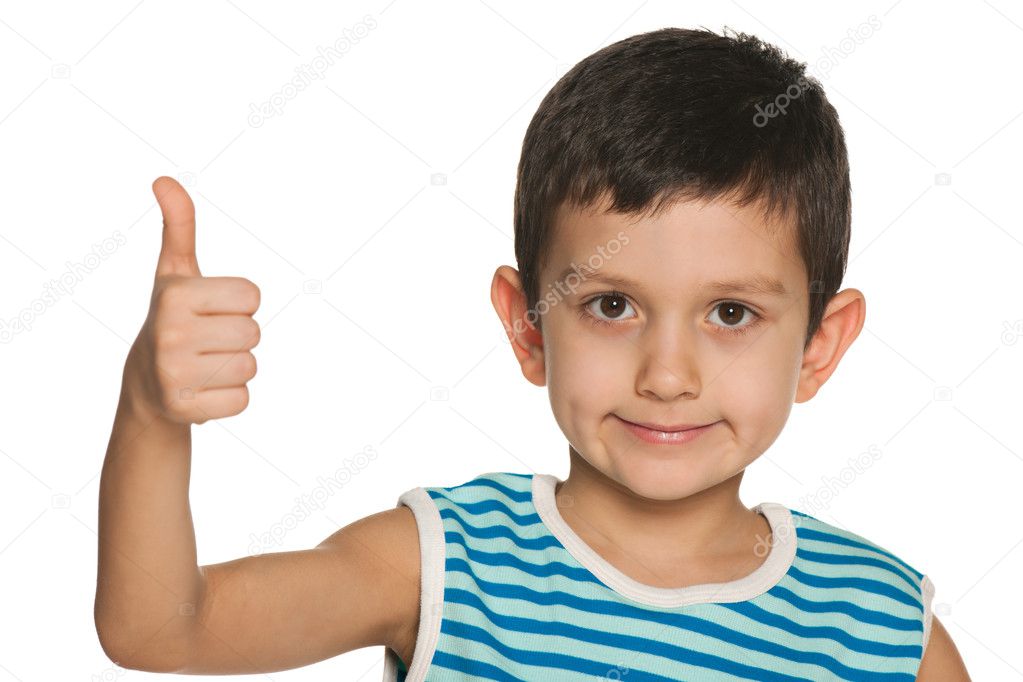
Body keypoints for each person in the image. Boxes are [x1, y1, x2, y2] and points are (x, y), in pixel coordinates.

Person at [94, 26, 971, 681]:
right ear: (528, 326)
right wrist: (148, 411)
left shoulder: (886, 629)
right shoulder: (443, 566)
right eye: (612, 305)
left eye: (731, 313)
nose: (667, 376)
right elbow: (164, 628)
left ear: (820, 346)